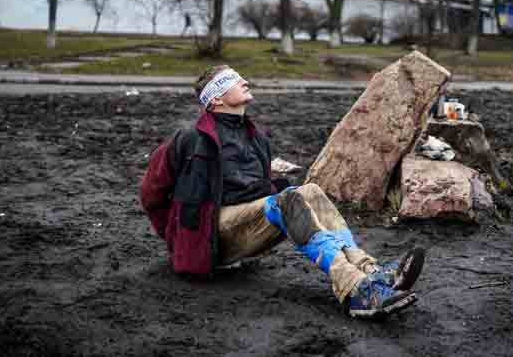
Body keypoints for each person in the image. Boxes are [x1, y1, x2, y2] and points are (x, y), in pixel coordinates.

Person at [140, 65, 425, 319]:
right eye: (232, 80)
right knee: (287, 199)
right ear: (215, 99)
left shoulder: (257, 140)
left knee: (310, 190)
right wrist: (179, 238)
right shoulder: (189, 140)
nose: (244, 81)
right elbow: (151, 193)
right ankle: (356, 289)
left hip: (246, 227)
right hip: (213, 235)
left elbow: (261, 189)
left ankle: (371, 272)